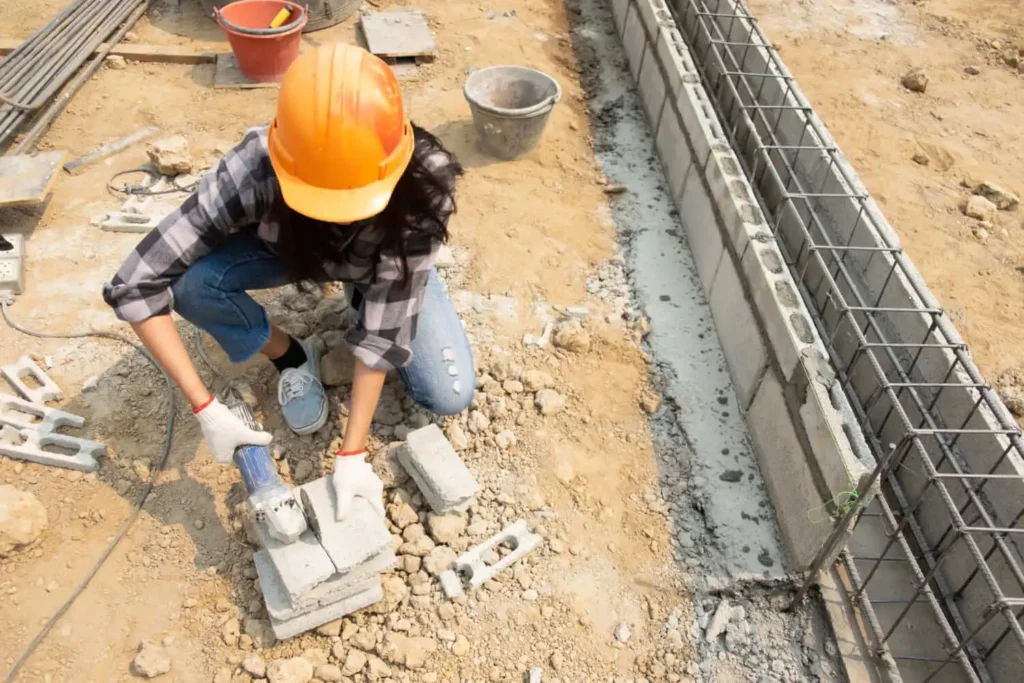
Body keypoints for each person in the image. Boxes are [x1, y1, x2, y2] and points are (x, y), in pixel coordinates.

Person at [102, 43, 475, 520]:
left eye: (355, 203)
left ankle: (364, 292)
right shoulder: (253, 165)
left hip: (387, 265)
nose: (339, 215)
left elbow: (384, 338)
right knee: (193, 282)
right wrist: (206, 409)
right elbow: (136, 283)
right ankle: (291, 355)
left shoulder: (426, 182)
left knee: (449, 393)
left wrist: (351, 454)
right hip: (291, 255)